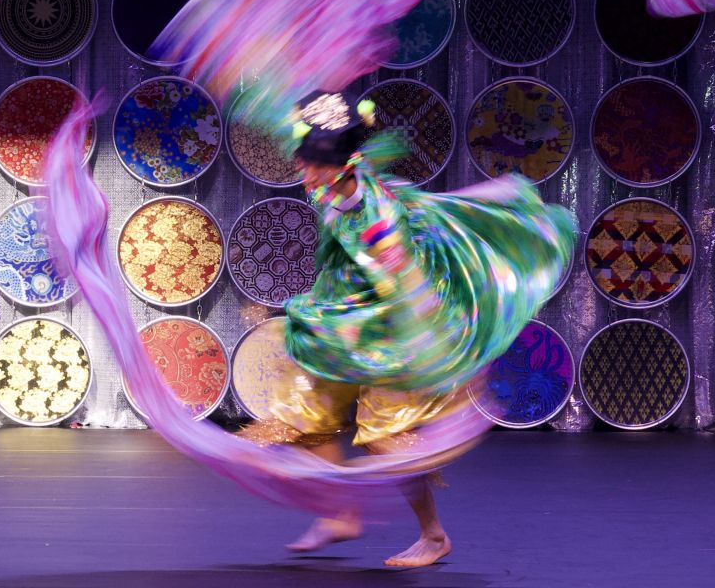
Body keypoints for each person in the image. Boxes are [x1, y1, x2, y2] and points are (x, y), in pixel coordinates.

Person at [241, 89, 574, 568]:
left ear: (344, 165)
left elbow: (410, 292)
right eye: (304, 161)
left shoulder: (380, 225)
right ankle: (340, 514)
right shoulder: (330, 179)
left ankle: (434, 536)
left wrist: (441, 357)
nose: (306, 174)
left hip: (389, 327)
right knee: (309, 414)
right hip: (344, 314)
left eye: (316, 165)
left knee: (383, 437)